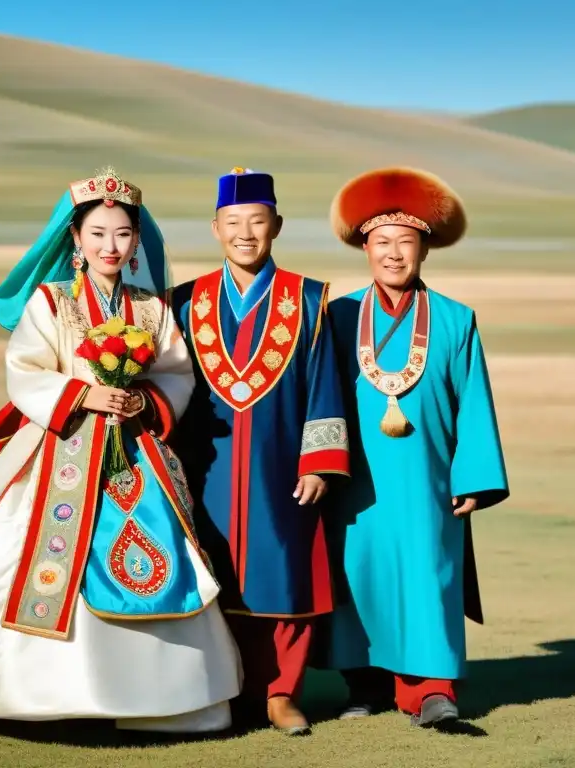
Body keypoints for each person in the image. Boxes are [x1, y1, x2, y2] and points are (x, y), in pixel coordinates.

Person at [0, 168, 242, 733]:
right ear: (75, 240)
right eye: (98, 233)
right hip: (60, 446)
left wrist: (143, 402)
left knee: (159, 556)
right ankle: (21, 694)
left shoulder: (152, 310)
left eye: (123, 234)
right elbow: (24, 369)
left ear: (136, 242)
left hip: (134, 452)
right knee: (21, 555)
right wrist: (83, 393)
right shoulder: (50, 304)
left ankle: (159, 702)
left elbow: (177, 373)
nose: (111, 246)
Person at [321, 167, 509, 728]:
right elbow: (318, 397)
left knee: (430, 574)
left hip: (429, 479)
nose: (394, 254)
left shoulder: (456, 320)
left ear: (425, 248)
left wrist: (473, 478)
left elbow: (474, 402)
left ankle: (432, 692)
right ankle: (364, 684)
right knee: (362, 575)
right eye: (382, 243)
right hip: (356, 479)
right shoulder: (338, 315)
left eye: (406, 242)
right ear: (365, 248)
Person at [170, 167, 350, 735]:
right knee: (214, 577)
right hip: (207, 469)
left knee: (285, 575)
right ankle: (228, 688)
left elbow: (326, 382)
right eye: (233, 222)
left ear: (277, 225)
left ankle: (280, 694)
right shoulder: (183, 302)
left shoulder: (310, 297)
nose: (245, 233)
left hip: (281, 468)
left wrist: (320, 461)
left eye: (257, 221)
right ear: (215, 228)